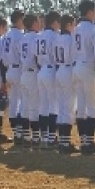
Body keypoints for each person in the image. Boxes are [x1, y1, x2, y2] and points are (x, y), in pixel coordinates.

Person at [73, 0, 95, 154]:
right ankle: (88, 141)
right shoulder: (93, 28)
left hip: (77, 66)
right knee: (92, 105)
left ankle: (84, 140)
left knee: (81, 105)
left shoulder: (76, 28)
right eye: (94, 11)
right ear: (89, 12)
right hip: (89, 67)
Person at [54, 14, 79, 154]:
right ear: (69, 25)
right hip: (68, 70)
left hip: (59, 71)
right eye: (73, 24)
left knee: (62, 107)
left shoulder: (57, 38)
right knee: (69, 108)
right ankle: (65, 142)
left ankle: (62, 141)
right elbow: (74, 57)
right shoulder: (70, 39)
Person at [36, 11, 60, 149]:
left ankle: (43, 137)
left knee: (43, 106)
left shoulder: (39, 36)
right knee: (53, 106)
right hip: (51, 70)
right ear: (54, 22)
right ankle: (51, 138)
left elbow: (35, 56)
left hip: (41, 71)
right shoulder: (55, 36)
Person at [2, 10, 25, 144]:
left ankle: (16, 133)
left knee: (13, 103)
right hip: (18, 70)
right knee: (22, 102)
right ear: (19, 20)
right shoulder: (20, 35)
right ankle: (20, 132)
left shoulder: (6, 35)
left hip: (9, 70)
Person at [19, 13, 42, 148]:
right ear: (33, 23)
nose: (40, 24)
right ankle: (35, 137)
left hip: (24, 73)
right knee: (34, 107)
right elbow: (37, 57)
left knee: (25, 106)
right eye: (38, 22)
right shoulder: (36, 37)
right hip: (33, 73)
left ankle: (26, 136)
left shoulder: (23, 38)